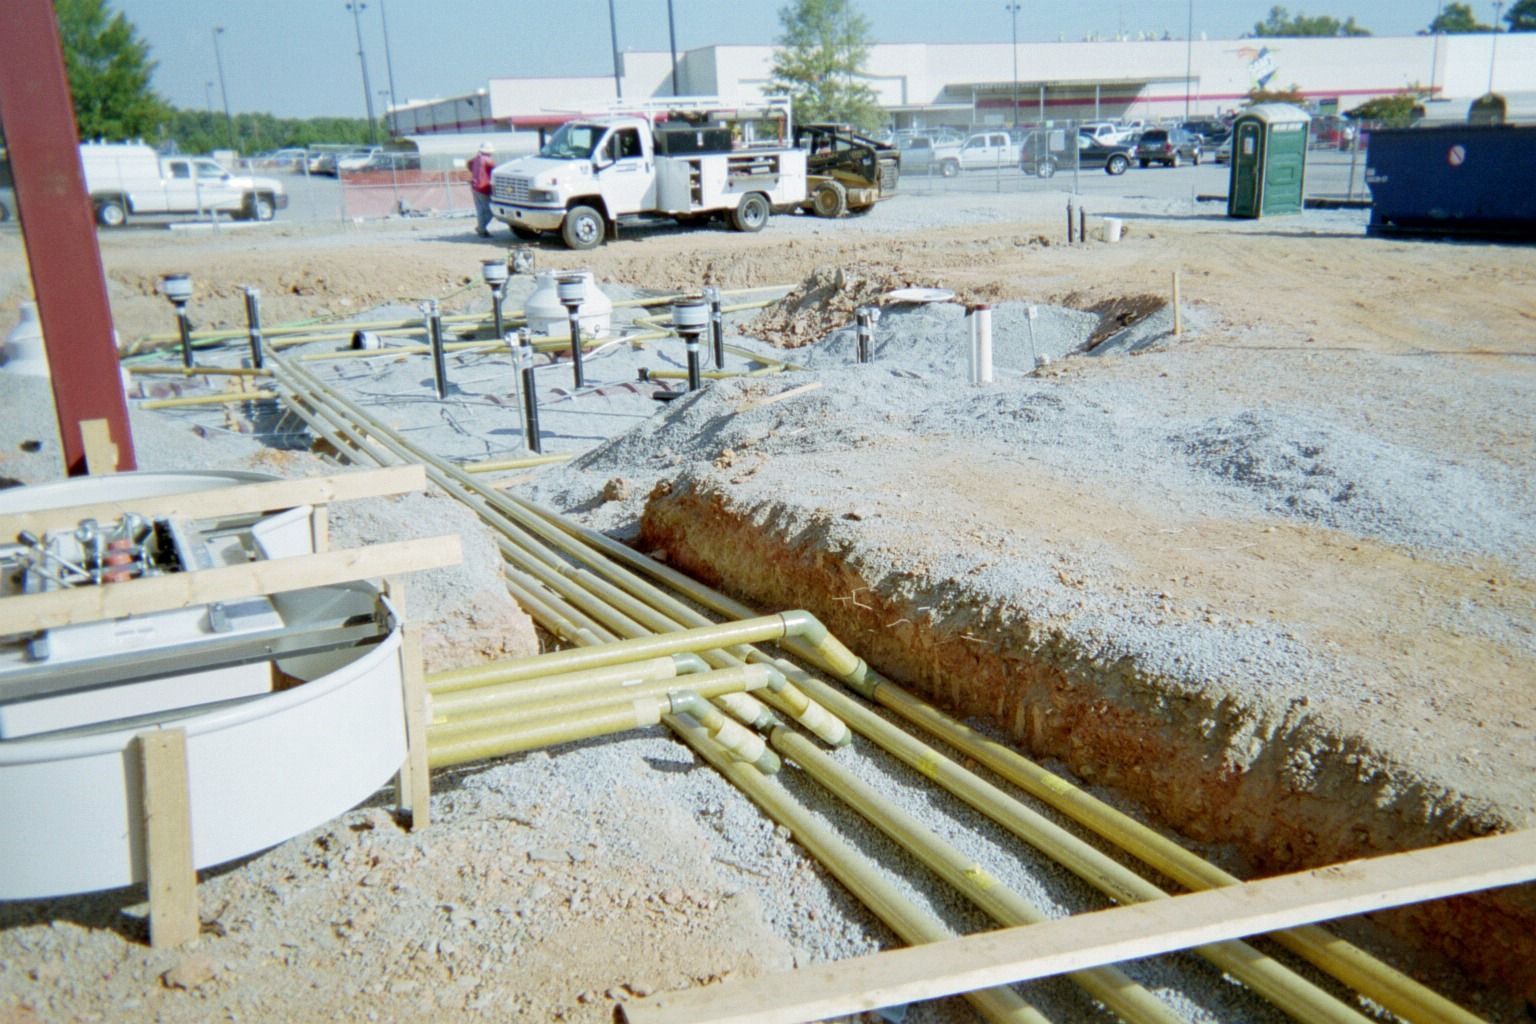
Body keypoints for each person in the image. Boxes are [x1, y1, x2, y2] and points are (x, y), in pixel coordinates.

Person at [468, 141, 496, 237]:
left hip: (474, 186)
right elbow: (495, 170)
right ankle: (481, 228)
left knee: (480, 210)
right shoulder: (488, 160)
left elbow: (469, 165)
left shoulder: (475, 159)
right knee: (490, 210)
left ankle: (481, 228)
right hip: (483, 187)